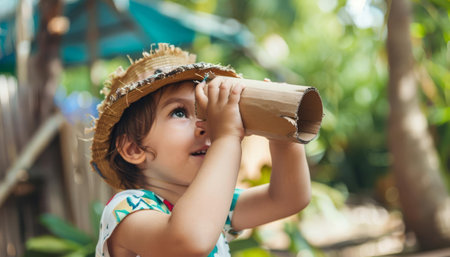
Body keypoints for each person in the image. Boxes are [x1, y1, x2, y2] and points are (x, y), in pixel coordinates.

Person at [90, 43, 311, 257]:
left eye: (206, 113)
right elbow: (188, 240)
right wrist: (226, 136)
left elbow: (287, 198)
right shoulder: (127, 210)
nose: (205, 125)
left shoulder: (216, 206)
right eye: (179, 112)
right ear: (133, 148)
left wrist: (281, 133)